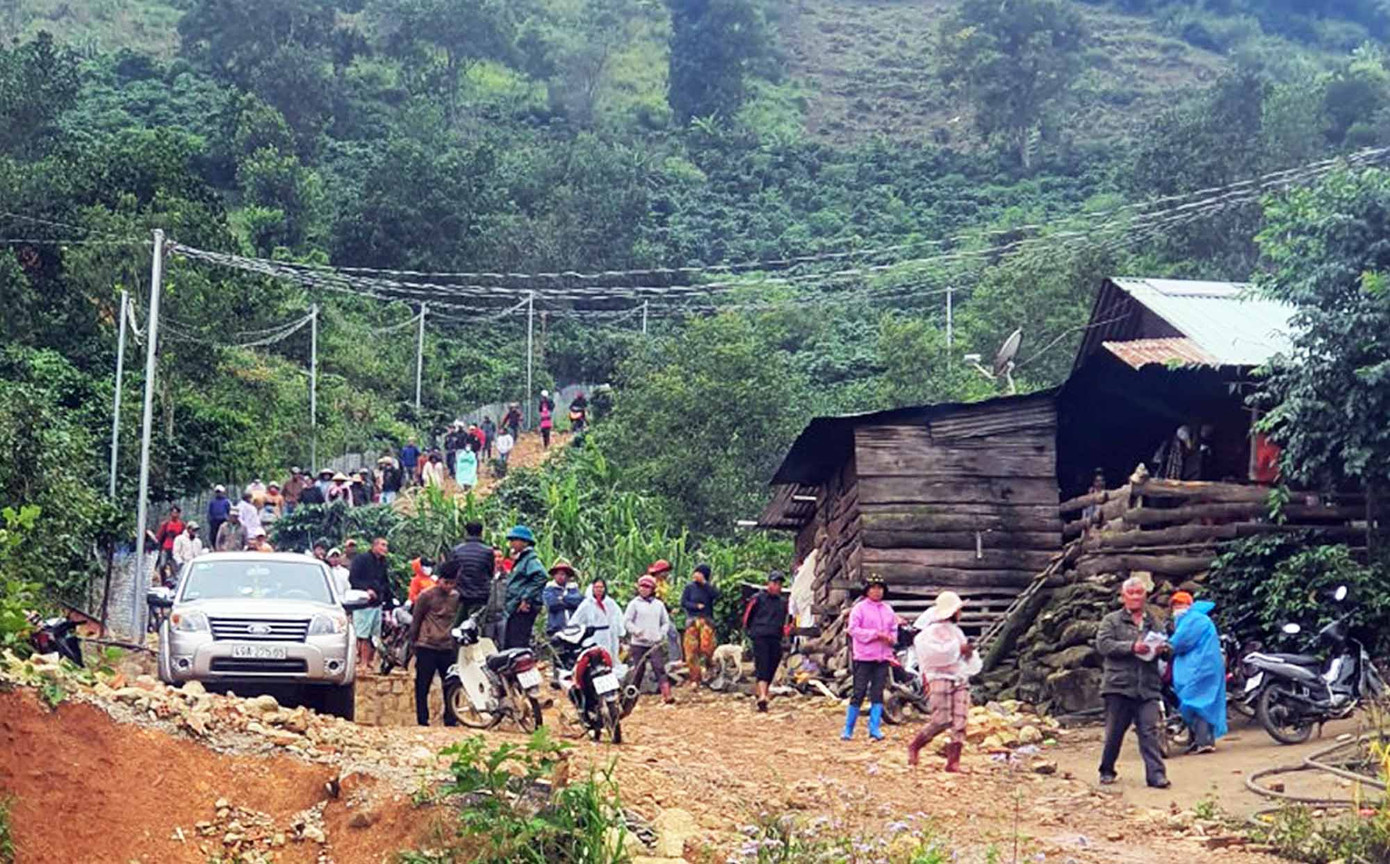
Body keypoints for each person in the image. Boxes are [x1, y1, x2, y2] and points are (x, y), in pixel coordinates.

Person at [1096, 576, 1170, 789]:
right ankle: (1107, 770)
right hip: (1119, 685)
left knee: (1149, 731)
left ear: (1145, 596)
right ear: (1123, 596)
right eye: (1132, 593)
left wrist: (1164, 650)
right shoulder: (1112, 620)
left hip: (1147, 686)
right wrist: (1131, 647)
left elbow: (1167, 647)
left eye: (1140, 593)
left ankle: (1156, 776)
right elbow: (1103, 645)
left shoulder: (1153, 621)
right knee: (1115, 732)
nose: (1136, 597)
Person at [907, 591, 974, 771]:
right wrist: (958, 649)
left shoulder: (957, 632)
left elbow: (964, 658)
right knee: (941, 719)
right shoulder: (930, 632)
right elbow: (935, 655)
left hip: (960, 677)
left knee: (960, 719)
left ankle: (954, 761)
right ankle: (915, 745)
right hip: (939, 678)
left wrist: (968, 652)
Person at [1168, 592, 1226, 755]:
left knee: (1195, 703)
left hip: (1199, 667)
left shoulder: (1193, 620)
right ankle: (1203, 741)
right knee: (1204, 702)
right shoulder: (1196, 618)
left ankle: (1203, 742)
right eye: (1175, 605)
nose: (1178, 608)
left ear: (1189, 605)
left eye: (1181, 604)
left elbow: (1179, 642)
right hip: (1206, 666)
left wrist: (1163, 646)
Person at [843, 574, 897, 742]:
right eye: (873, 588)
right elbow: (853, 630)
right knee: (858, 692)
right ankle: (848, 729)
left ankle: (874, 728)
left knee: (877, 692)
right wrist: (875, 634)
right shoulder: (859, 609)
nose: (877, 591)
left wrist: (891, 639)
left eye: (880, 588)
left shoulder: (888, 610)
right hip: (864, 657)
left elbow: (894, 630)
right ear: (867, 590)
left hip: (882, 657)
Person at [410, 560, 461, 727]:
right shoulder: (426, 596)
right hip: (427, 645)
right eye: (446, 582)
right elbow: (416, 620)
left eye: (452, 583)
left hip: (447, 646)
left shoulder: (456, 597)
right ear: (439, 580)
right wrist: (413, 642)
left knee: (451, 684)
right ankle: (422, 719)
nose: (449, 586)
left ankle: (451, 718)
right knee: (422, 684)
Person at [742, 571, 790, 712]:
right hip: (760, 635)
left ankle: (762, 693)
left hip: (775, 636)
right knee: (762, 663)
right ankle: (763, 696)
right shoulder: (758, 599)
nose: (777, 586)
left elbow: (787, 620)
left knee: (772, 663)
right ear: (768, 583)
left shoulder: (782, 603)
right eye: (774, 583)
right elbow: (747, 617)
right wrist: (751, 631)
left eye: (779, 584)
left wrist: (785, 631)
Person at [625, 574, 674, 704]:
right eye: (641, 586)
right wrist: (636, 631)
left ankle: (667, 694)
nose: (643, 589)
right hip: (638, 643)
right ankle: (631, 696)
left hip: (654, 643)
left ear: (652, 589)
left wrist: (661, 634)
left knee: (659, 667)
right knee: (638, 670)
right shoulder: (634, 604)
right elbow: (627, 621)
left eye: (647, 587)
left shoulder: (658, 605)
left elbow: (665, 622)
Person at [348, 537, 394, 671]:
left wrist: (388, 604)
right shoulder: (361, 559)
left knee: (374, 635)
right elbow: (353, 579)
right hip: (363, 603)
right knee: (363, 635)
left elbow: (386, 583)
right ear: (374, 546)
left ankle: (369, 661)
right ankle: (362, 662)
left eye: (386, 545)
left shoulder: (382, 563)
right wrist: (366, 589)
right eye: (383, 545)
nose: (385, 548)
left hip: (377, 603)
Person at [502, 526, 547, 649]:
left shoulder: (530, 559)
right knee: (511, 640)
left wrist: (526, 598)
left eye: (514, 540)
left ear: (524, 542)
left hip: (522, 607)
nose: (511, 543)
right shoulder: (522, 559)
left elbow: (541, 576)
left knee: (518, 642)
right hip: (514, 605)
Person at [571, 578, 626, 677]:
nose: (599, 589)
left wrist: (620, 633)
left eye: (601, 587)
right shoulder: (587, 604)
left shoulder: (610, 603)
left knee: (609, 657)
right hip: (594, 635)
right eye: (596, 587)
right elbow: (576, 620)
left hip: (609, 635)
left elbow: (618, 618)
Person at [681, 563, 720, 688]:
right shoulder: (689, 587)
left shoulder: (708, 587)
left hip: (706, 620)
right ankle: (695, 678)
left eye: (699, 573)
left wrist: (704, 583)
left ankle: (710, 671)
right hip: (692, 620)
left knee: (707, 647)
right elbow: (684, 602)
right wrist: (695, 606)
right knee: (691, 650)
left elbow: (716, 595)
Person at [451, 521, 495, 624]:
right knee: (476, 625)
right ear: (481, 533)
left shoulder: (456, 550)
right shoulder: (488, 551)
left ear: (466, 532)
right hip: (480, 595)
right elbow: (490, 572)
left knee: (457, 625)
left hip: (461, 595)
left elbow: (453, 572)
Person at [542, 559, 583, 636]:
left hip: (573, 627)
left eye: (563, 574)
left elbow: (578, 601)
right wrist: (569, 603)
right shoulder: (549, 588)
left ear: (567, 576)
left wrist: (562, 599)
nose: (560, 576)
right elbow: (552, 604)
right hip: (556, 628)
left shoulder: (573, 588)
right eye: (557, 574)